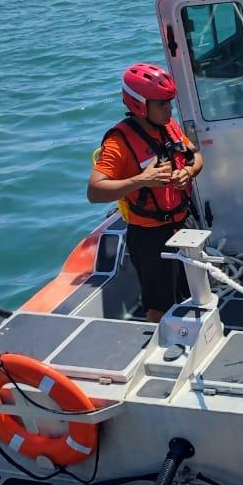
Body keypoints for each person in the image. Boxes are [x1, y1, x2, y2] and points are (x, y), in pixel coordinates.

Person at [88, 64, 202, 322]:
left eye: (170, 103)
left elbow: (195, 156)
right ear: (140, 104)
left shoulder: (169, 126)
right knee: (159, 304)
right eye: (162, 104)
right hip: (150, 236)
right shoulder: (119, 142)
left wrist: (190, 172)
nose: (169, 109)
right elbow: (95, 191)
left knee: (195, 289)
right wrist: (141, 180)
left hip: (184, 221)